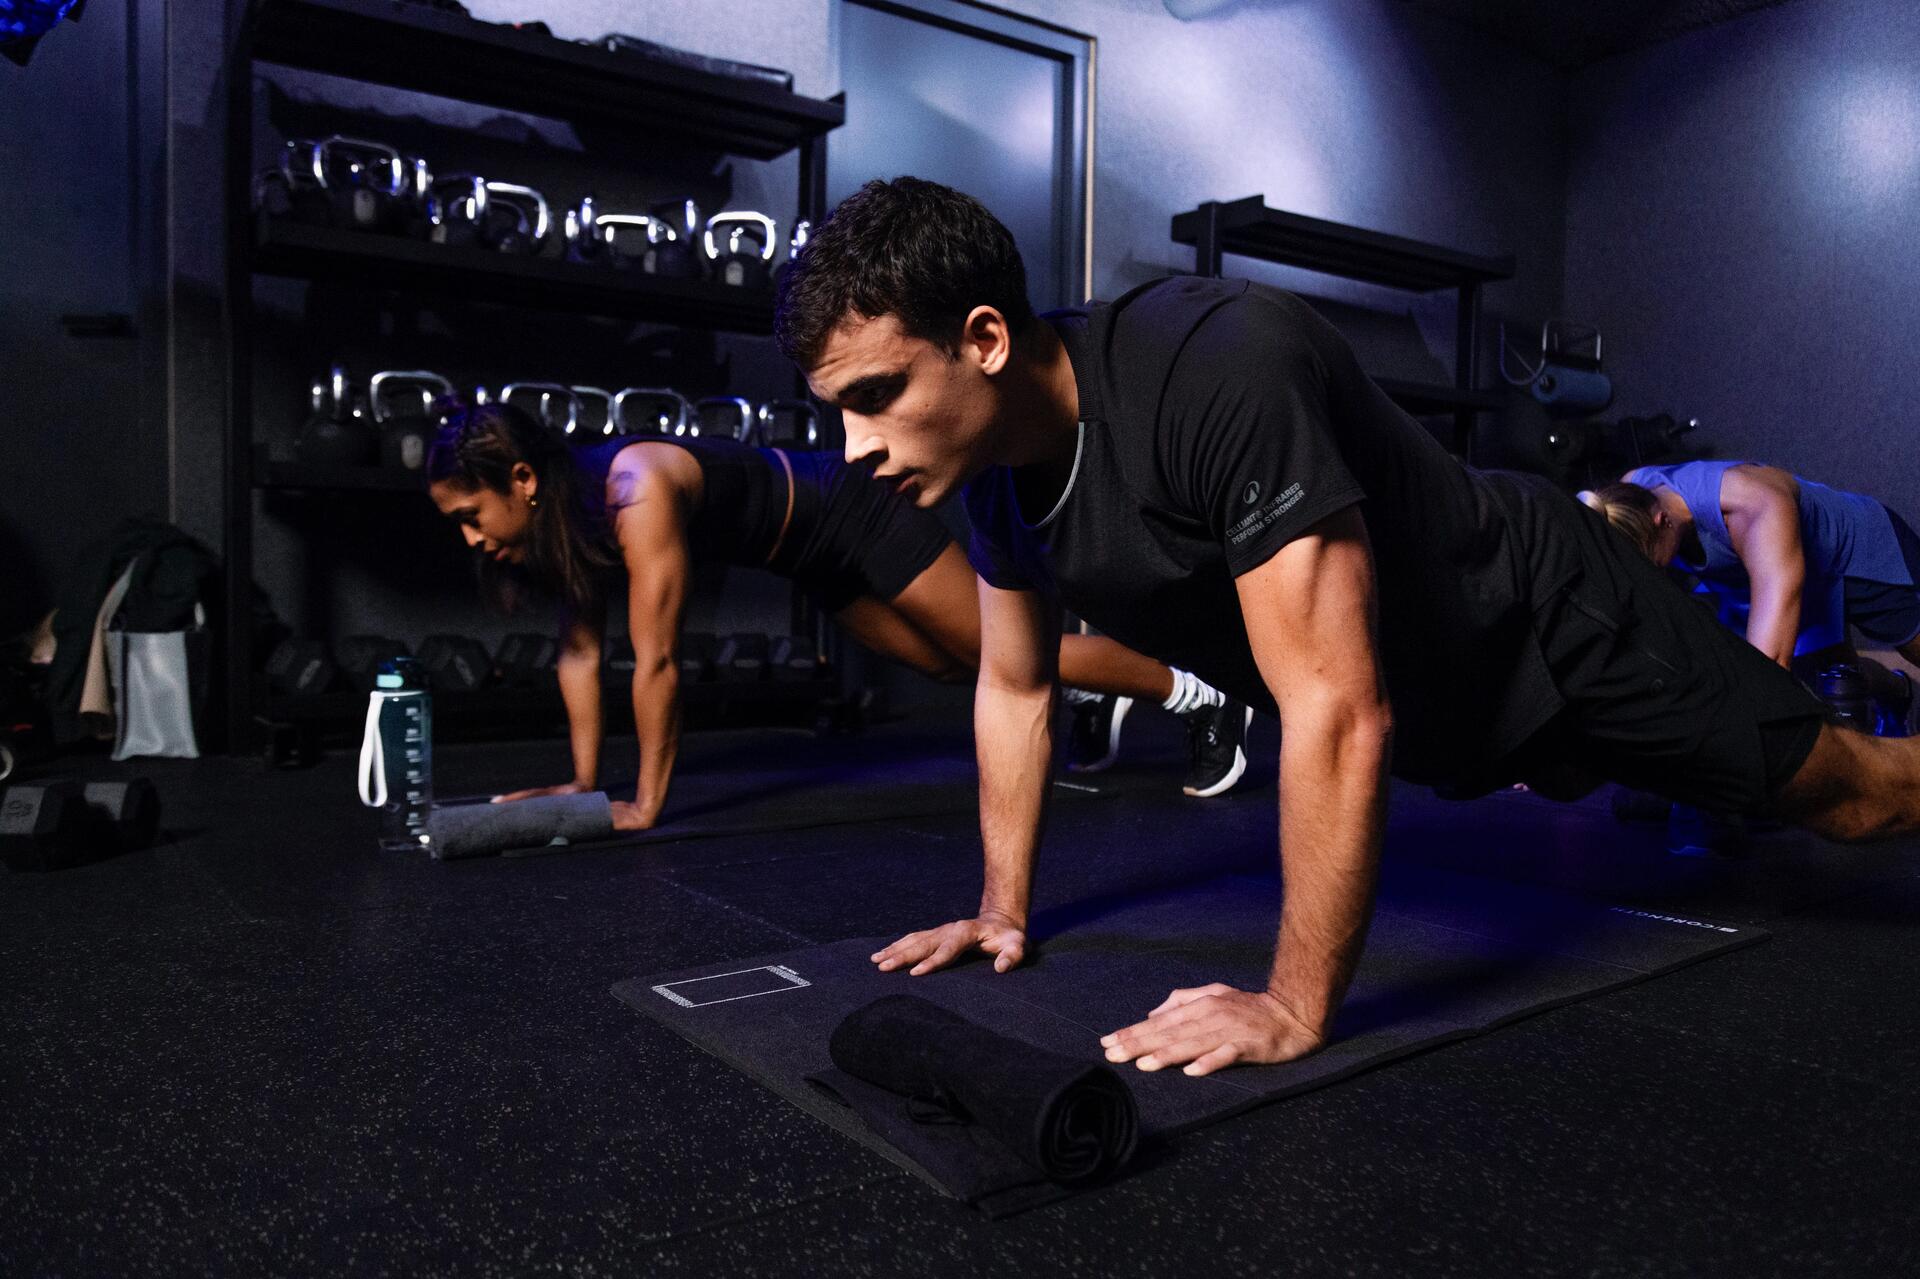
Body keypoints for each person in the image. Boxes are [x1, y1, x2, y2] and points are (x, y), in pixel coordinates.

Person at [772, 176, 1920, 1077]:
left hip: (1550, 624)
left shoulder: (1212, 366)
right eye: (836, 414)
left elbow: (1334, 702)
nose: (854, 450)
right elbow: (1015, 687)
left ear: (984, 340)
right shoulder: (986, 476)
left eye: (876, 397)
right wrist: (1000, 912)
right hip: (1454, 720)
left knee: (1857, 801)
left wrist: (1288, 1005)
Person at [422, 400, 1254, 830]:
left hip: (853, 509)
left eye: (470, 513)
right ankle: (1094, 683)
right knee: (946, 664)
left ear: (522, 480)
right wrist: (577, 782)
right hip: (810, 554)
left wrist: (643, 803)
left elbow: (658, 661)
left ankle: (1200, 690)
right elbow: (577, 654)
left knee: (996, 654)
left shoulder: (635, 488)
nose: (469, 536)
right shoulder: (573, 522)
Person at [1581, 464, 1920, 731]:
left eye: (1654, 563)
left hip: (1853, 550)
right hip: (1766, 575)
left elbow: (1767, 673)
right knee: (1835, 678)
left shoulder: (1754, 508)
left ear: (1661, 521)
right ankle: (1898, 691)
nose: (1655, 574)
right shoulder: (1630, 495)